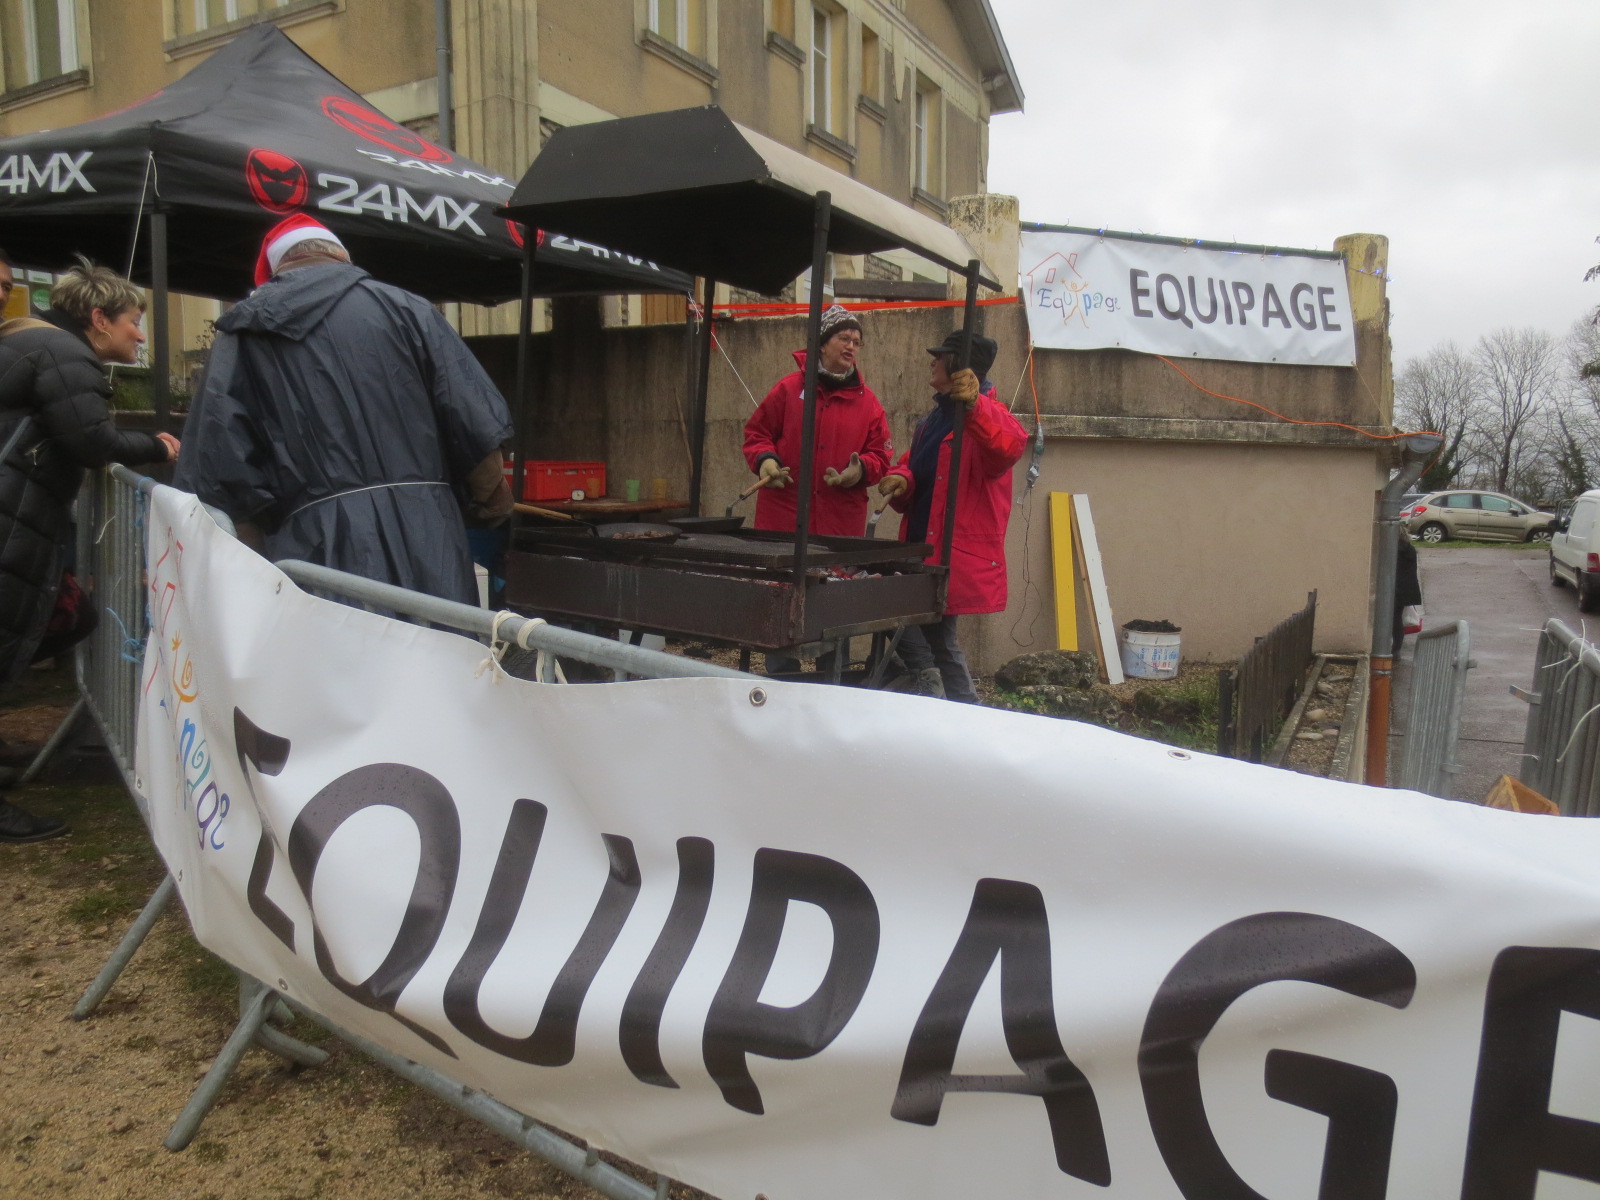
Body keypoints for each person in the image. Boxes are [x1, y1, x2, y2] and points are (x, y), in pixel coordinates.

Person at [175, 215, 513, 607]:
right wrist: (491, 501)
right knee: (440, 656)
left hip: (316, 549)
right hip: (429, 537)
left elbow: (221, 462)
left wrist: (255, 554)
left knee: (341, 661)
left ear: (276, 272)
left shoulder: (242, 333)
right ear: (342, 258)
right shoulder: (410, 310)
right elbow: (471, 419)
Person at [0, 254, 179, 842]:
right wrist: (155, 444)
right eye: (132, 320)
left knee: (64, 617)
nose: (139, 333)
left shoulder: (42, 348)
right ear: (99, 318)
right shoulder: (64, 354)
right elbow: (88, 438)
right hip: (13, 521)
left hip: (21, 519)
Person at [878, 331, 1027, 702]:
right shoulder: (933, 420)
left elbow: (1010, 444)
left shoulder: (984, 416)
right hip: (919, 544)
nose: (932, 361)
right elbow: (919, 465)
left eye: (940, 356)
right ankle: (936, 691)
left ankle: (958, 704)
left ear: (959, 366)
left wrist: (976, 405)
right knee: (922, 628)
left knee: (938, 638)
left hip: (948, 551)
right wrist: (902, 476)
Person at [742, 303, 892, 538]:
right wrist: (765, 461)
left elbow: (881, 456)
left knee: (834, 575)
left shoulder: (869, 403)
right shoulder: (788, 389)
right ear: (822, 344)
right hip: (783, 518)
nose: (851, 346)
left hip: (839, 525)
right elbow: (757, 434)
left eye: (856, 342)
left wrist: (860, 469)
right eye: (844, 338)